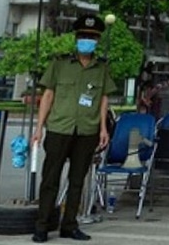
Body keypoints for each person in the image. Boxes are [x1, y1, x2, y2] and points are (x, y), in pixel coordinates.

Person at [32, 14, 118, 242]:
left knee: (77, 180)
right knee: (50, 179)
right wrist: (39, 128)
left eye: (92, 37)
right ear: (76, 38)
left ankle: (69, 225)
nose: (87, 40)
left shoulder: (101, 68)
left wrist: (103, 129)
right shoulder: (59, 64)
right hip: (60, 128)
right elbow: (48, 95)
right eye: (83, 36)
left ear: (97, 41)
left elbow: (103, 99)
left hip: (87, 131)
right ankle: (42, 225)